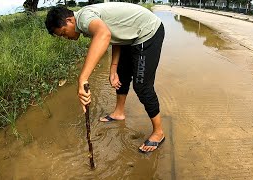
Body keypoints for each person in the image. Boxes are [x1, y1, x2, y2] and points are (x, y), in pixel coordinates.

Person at [45, 2, 165, 153]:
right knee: (121, 73)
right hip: (131, 35)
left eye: (63, 33)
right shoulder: (85, 19)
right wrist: (113, 67)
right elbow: (115, 34)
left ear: (69, 21)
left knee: (142, 86)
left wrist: (82, 78)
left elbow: (104, 34)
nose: (65, 37)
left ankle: (158, 132)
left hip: (148, 32)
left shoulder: (83, 19)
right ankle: (119, 112)